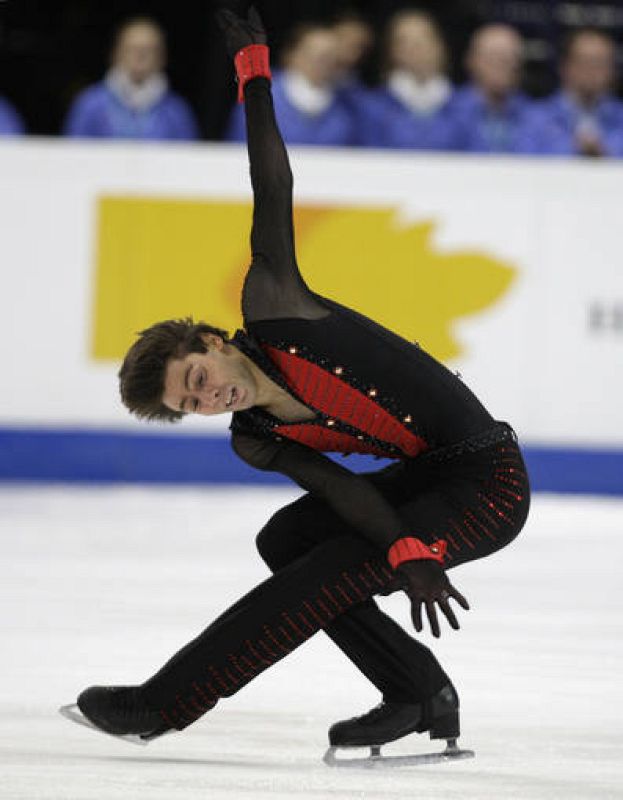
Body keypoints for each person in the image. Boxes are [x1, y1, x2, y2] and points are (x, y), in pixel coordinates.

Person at [72, 4, 530, 756]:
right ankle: (418, 692)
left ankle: (164, 702)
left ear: (213, 341)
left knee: (326, 574)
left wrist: (253, 70)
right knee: (289, 539)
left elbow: (271, 184)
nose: (208, 396)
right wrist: (405, 545)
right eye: (190, 405)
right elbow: (343, 491)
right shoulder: (254, 438)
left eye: (197, 376)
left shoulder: (277, 309)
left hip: (487, 484)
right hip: (421, 484)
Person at [63, 16, 198, 141]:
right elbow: (73, 155)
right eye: (132, 49)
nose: (140, 56)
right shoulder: (90, 104)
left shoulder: (176, 111)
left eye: (148, 50)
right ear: (116, 53)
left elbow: (188, 159)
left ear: (162, 57)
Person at [226, 22, 357, 146]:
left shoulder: (348, 104)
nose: (324, 64)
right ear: (292, 55)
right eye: (317, 56)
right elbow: (238, 151)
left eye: (331, 58)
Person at [356, 10, 458, 151]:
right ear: (393, 51)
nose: (416, 47)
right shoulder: (373, 107)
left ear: (439, 45)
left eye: (424, 38)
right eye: (405, 41)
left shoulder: (463, 106)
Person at [518, 28, 623, 157]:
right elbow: (520, 163)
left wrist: (605, 154)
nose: (592, 71)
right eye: (585, 62)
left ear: (613, 70)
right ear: (565, 67)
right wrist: (574, 150)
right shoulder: (534, 119)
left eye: (600, 63)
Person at [451, 24, 534, 154]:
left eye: (509, 59)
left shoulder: (538, 118)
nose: (501, 66)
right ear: (471, 61)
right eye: (492, 58)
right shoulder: (447, 112)